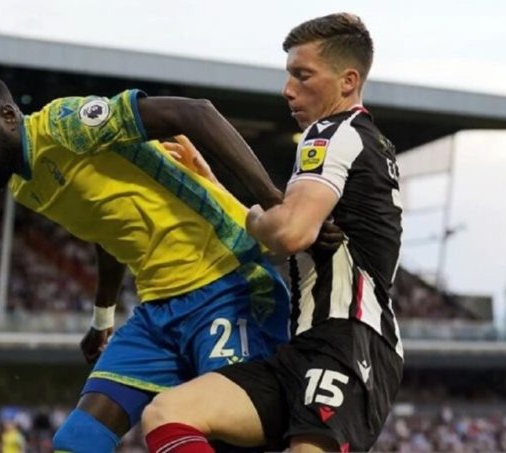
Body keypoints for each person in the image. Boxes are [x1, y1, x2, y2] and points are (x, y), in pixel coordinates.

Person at [0, 74, 313, 453]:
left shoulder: (64, 125)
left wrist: (273, 201)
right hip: (158, 309)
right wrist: (102, 317)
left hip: (228, 282)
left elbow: (195, 112)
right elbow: (108, 230)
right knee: (77, 442)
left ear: (7, 116)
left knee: (230, 435)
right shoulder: (24, 186)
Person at [142, 13, 404, 453]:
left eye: (303, 76)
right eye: (288, 76)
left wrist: (258, 219)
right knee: (167, 413)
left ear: (347, 81)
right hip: (301, 348)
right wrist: (212, 184)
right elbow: (283, 224)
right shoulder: (363, 139)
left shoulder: (330, 133)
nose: (288, 90)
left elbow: (287, 234)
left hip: (346, 339)